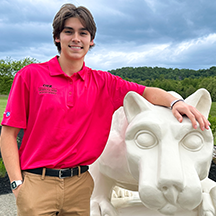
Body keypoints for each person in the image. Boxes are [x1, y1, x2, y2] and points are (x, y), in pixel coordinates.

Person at [0, 3, 210, 216]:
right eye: (68, 31)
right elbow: (8, 134)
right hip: (38, 182)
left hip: (80, 185)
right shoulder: (30, 76)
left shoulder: (103, 82)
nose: (76, 38)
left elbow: (146, 92)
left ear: (91, 41)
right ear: (57, 37)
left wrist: (176, 103)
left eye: (83, 33)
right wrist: (17, 184)